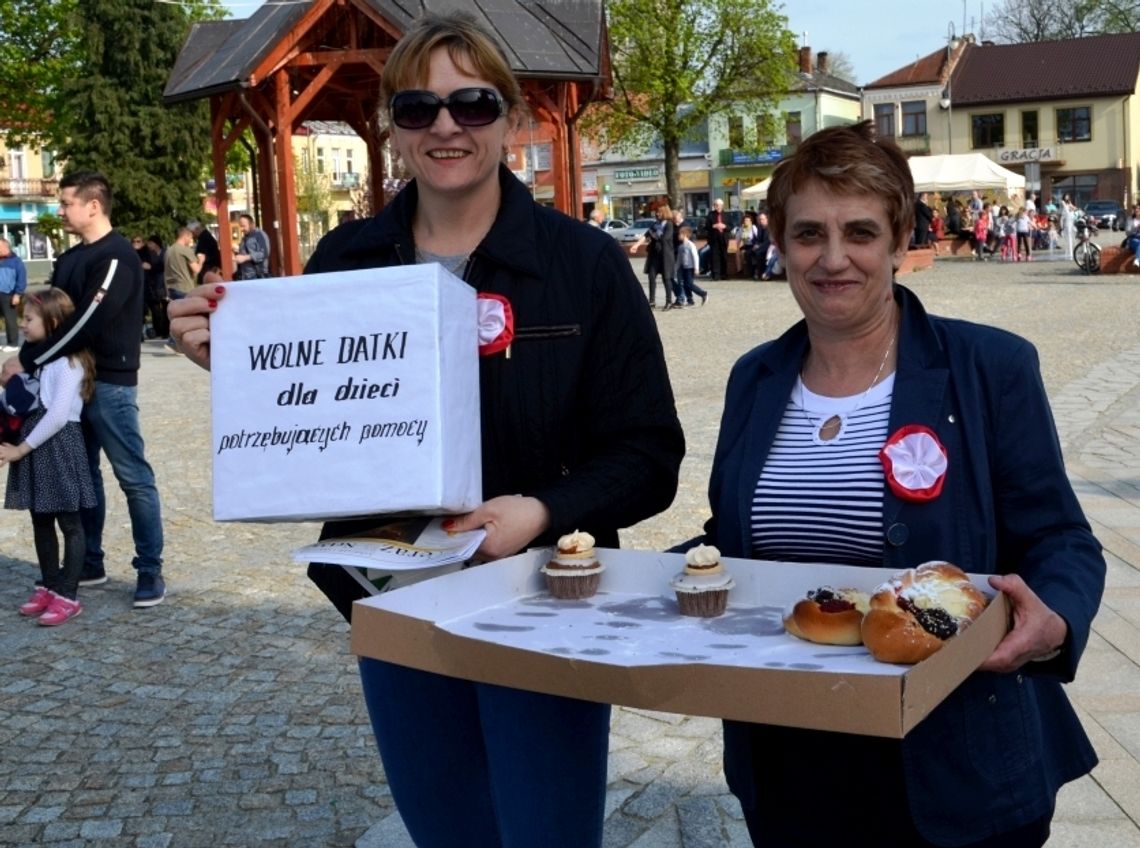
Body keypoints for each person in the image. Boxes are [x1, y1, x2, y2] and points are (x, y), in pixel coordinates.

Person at [168, 12, 684, 847]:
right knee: (445, 832)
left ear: (512, 121)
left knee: (547, 834)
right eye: (418, 109)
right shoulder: (347, 261)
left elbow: (650, 454)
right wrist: (236, 368)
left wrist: (541, 511)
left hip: (541, 605)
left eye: (473, 104)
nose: (446, 126)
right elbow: (321, 427)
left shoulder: (582, 265)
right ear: (393, 130)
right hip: (397, 602)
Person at [690, 120, 1103, 848]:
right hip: (791, 757)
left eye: (860, 232)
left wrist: (1057, 618)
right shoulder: (754, 378)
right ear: (780, 241)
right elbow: (731, 541)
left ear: (898, 238)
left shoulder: (988, 369)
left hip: (955, 759)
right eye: (810, 233)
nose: (834, 258)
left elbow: (1060, 538)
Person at [17, 171, 166, 607]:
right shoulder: (67, 260)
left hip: (112, 387)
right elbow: (55, 319)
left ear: (93, 206)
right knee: (84, 479)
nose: (60, 210)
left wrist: (27, 359)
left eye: (66, 203)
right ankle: (91, 561)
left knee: (134, 478)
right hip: (70, 384)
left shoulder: (117, 256)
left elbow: (87, 322)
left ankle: (150, 571)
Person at [1, 289, 98, 626]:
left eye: (29, 319)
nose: (23, 326)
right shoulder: (40, 361)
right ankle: (49, 583)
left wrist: (21, 448)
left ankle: (67, 594)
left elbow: (57, 416)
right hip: (36, 445)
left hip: (57, 446)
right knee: (40, 519)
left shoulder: (68, 362)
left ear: (53, 321)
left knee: (69, 523)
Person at [635, 204, 674, 309]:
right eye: (657, 212)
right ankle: (651, 301)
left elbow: (665, 238)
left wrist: (653, 235)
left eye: (659, 212)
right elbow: (646, 235)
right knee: (651, 277)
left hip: (665, 255)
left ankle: (669, 301)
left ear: (665, 212)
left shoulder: (669, 225)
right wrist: (636, 245)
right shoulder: (655, 225)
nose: (657, 214)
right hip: (655, 255)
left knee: (666, 278)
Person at [0, 237, 28, 352]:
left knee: (10, 320)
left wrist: (18, 294)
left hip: (9, 294)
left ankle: (13, 344)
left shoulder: (16, 261)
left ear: (6, 246)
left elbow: (21, 279)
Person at [164, 227, 200, 301]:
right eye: (190, 237)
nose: (191, 240)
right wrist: (201, 261)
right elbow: (196, 270)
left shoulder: (168, 251)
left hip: (171, 289)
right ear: (185, 236)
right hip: (185, 289)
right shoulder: (185, 250)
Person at [233, 213, 270, 280]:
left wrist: (245, 258)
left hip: (256, 275)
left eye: (243, 226)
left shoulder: (260, 235)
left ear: (251, 224)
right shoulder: (245, 237)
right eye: (240, 226)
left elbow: (264, 253)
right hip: (244, 275)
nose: (241, 229)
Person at [187, 220, 221, 285]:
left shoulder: (205, 238)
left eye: (192, 232)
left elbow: (207, 255)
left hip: (208, 269)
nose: (192, 235)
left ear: (197, 229)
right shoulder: (205, 237)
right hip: (208, 269)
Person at [705, 198, 730, 279]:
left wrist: (725, 226)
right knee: (715, 257)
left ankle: (724, 274)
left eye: (719, 205)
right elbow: (706, 226)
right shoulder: (710, 214)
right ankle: (716, 275)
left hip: (723, 238)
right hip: (714, 238)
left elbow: (731, 226)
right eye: (716, 205)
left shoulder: (726, 215)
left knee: (724, 256)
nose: (717, 207)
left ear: (722, 206)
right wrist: (713, 226)